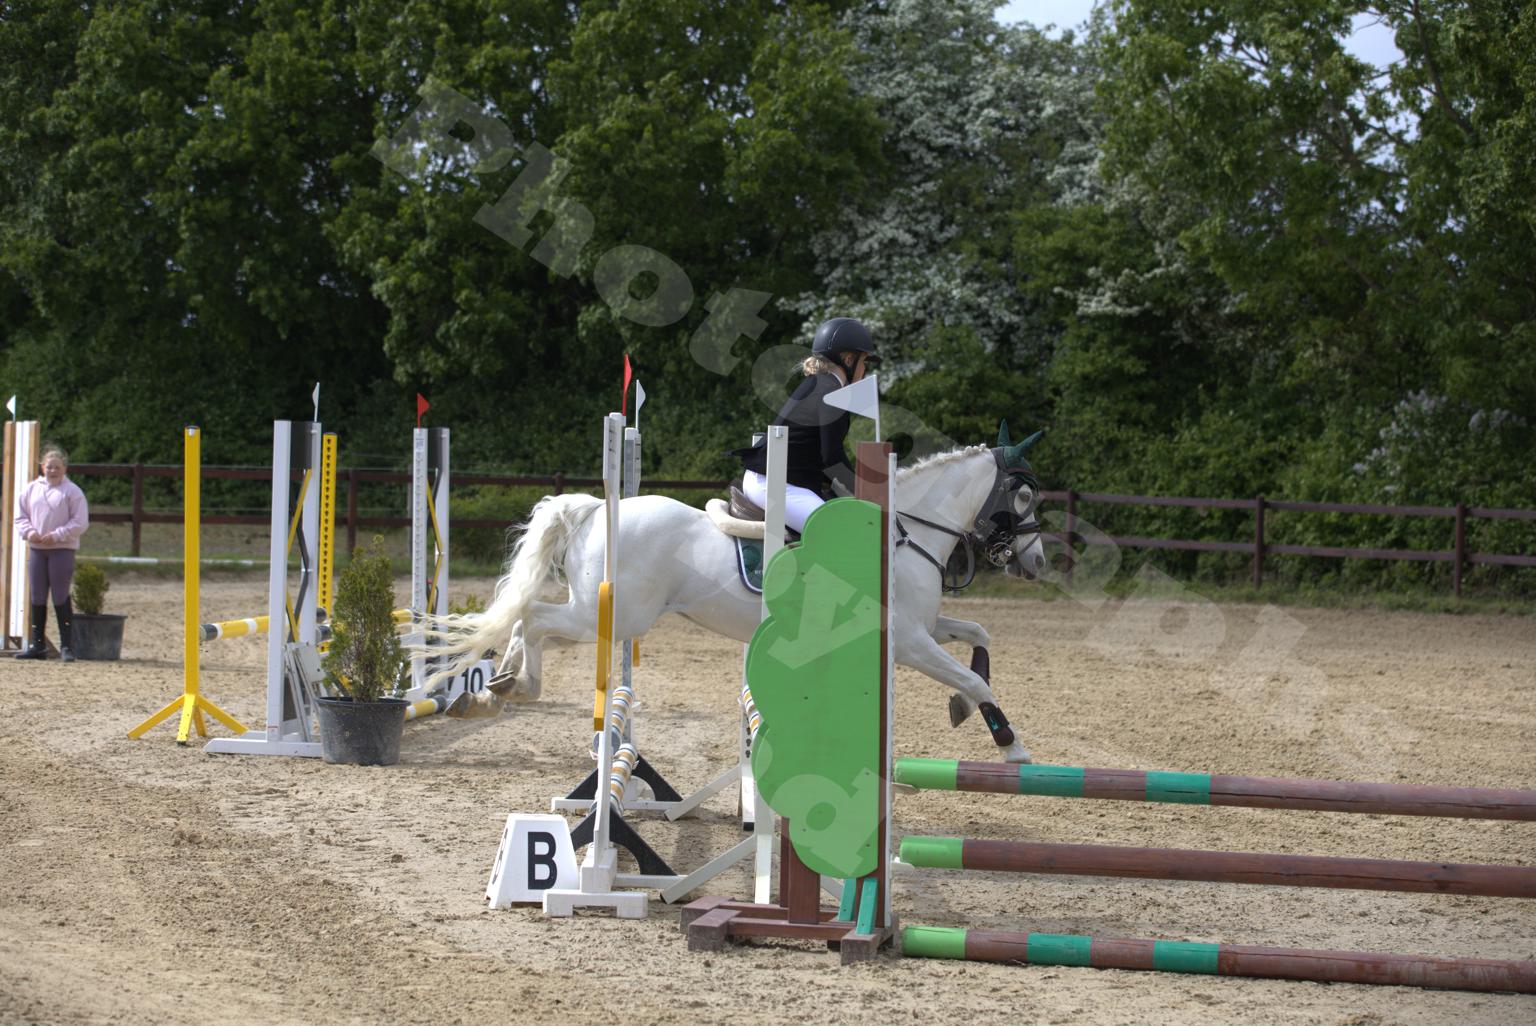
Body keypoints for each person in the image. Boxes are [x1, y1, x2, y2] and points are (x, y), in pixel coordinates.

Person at [734, 316, 879, 533]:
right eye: (864, 361)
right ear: (849, 360)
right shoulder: (831, 393)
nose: (865, 368)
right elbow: (832, 457)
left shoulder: (818, 385)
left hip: (776, 480)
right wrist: (866, 492)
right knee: (840, 533)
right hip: (776, 485)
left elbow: (821, 458)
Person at [14, 445, 89, 661]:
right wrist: (30, 532)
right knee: (37, 595)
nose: (53, 471)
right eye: (49, 467)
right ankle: (38, 645)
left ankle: (67, 646)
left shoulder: (72, 492)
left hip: (61, 549)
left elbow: (80, 522)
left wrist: (57, 535)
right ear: (42, 467)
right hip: (37, 549)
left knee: (60, 594)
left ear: (64, 468)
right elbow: (20, 516)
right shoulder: (31, 489)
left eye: (57, 467)